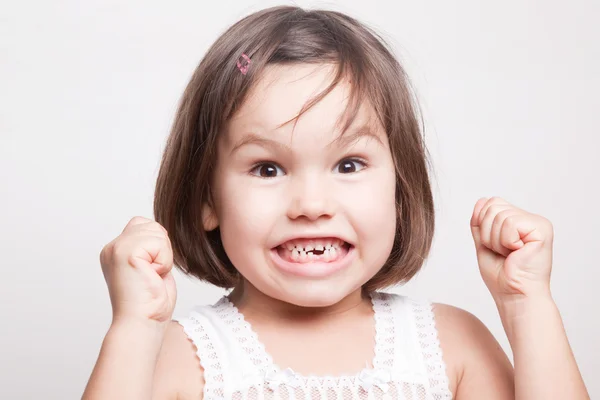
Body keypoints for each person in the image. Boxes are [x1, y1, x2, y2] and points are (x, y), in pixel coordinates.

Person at [82, 5, 589, 400]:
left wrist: (527, 307)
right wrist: (133, 329)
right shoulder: (177, 356)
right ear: (205, 199)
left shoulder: (450, 345)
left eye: (348, 165)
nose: (311, 204)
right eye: (268, 169)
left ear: (399, 186)